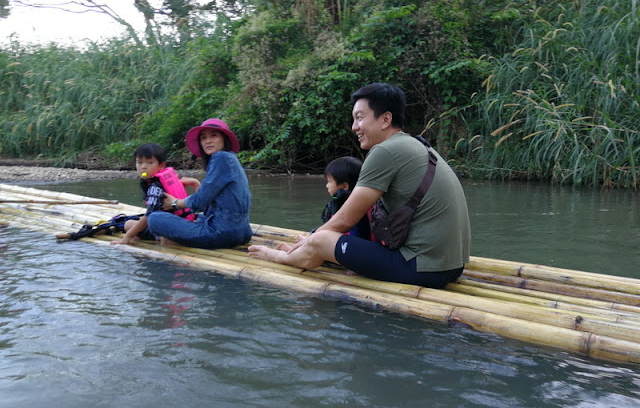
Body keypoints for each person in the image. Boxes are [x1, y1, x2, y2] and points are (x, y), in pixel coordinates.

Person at [249, 83, 470, 288]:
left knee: (322, 240)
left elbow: (345, 220)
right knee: (321, 239)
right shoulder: (419, 146)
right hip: (451, 266)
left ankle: (283, 257)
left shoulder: (385, 151)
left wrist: (310, 241)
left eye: (360, 118)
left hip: (423, 268)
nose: (354, 127)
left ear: (385, 120)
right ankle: (305, 249)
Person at [146, 118, 253, 248]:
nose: (208, 141)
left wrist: (175, 203)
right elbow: (208, 204)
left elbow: (199, 202)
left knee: (155, 218)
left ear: (224, 139)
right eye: (203, 138)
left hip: (222, 234)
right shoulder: (231, 159)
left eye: (214, 135)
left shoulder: (220, 157)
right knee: (200, 217)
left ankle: (169, 239)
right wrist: (196, 184)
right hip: (243, 232)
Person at [111, 143, 171, 245]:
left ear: (161, 165)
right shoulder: (162, 179)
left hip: (168, 229)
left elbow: (148, 216)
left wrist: (127, 236)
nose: (143, 167)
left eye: (149, 163)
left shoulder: (155, 187)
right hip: (162, 224)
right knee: (128, 224)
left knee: (165, 239)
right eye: (139, 163)